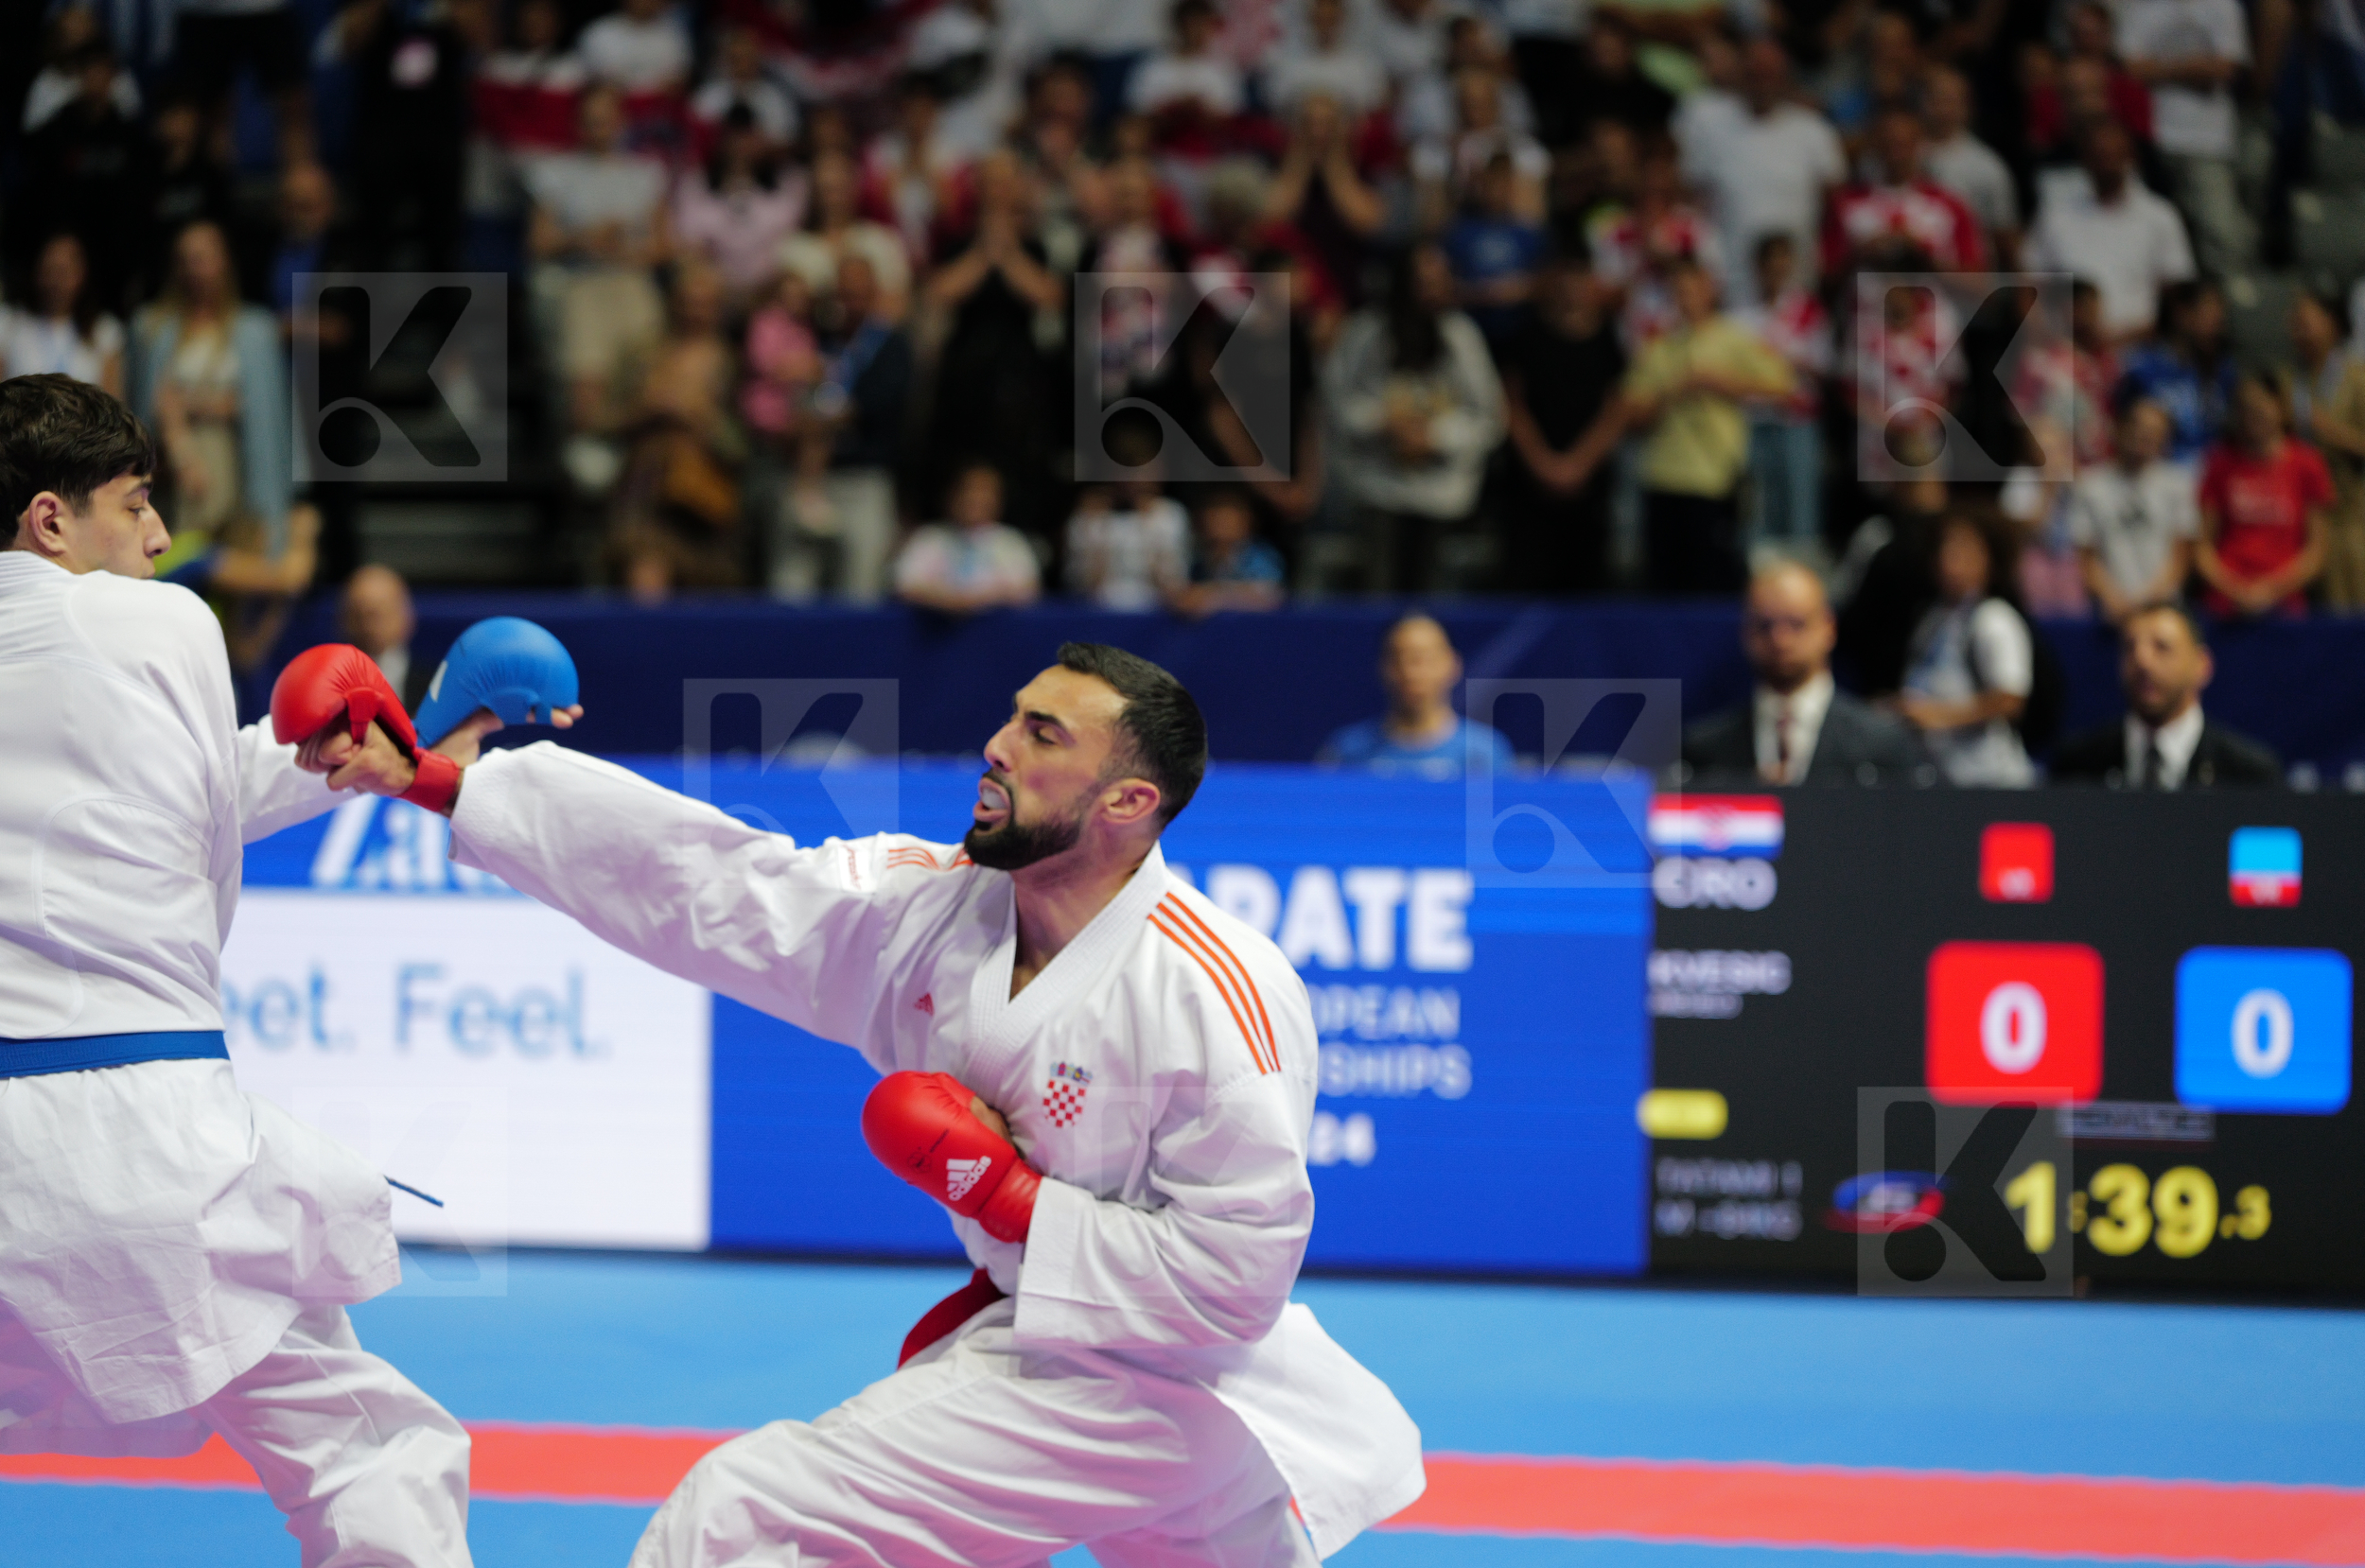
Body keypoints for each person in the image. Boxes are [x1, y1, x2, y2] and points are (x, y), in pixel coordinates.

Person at [418, 640, 1425, 1563]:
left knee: (742, 1518)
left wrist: (1011, 1198)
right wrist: (446, 784)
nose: (994, 747)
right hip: (1073, 1353)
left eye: (1042, 734)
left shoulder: (1210, 993)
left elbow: (1236, 1277)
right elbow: (718, 883)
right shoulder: (934, 905)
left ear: (1125, 801)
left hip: (1163, 1383)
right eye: (1011, 716)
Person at [0, 374, 475, 1563]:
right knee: (371, 1449)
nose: (161, 535)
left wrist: (368, 746)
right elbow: (191, 824)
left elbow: (117, 795)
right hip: (130, 1126)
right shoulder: (164, 621)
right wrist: (378, 738)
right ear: (50, 521)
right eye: (136, 502)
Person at [1568, 254, 1795, 594]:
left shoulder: (1732, 338)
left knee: (1712, 575)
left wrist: (1724, 385)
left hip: (1713, 477)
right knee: (1666, 579)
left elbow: (1784, 384)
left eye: (1692, 289)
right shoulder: (1660, 347)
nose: (1685, 298)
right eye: (1678, 290)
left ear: (1708, 291)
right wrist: (1672, 394)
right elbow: (1632, 412)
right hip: (1664, 475)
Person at [1322, 243, 1505, 592]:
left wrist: (1435, 436)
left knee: (1433, 602)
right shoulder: (1366, 332)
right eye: (1419, 280)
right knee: (1378, 593)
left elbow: (1489, 418)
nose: (1428, 291)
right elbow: (1336, 401)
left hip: (1442, 492)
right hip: (1378, 488)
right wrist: (1383, 422)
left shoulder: (1460, 337)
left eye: (1437, 280)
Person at [1681, 560, 1924, 784]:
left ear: (1829, 628)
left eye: (1797, 624)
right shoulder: (1703, 753)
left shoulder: (1883, 746)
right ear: (1745, 633)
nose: (1780, 640)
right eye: (1765, 626)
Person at [1499, 247, 1625, 593]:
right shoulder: (1524, 336)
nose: (1571, 287)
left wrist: (1577, 465)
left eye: (1579, 276)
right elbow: (1511, 404)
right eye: (1563, 276)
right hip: (1529, 486)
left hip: (1590, 485)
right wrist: (1544, 465)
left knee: (1587, 586)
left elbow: (1616, 408)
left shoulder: (1612, 340)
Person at [2050, 601, 2281, 785]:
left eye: (2162, 647)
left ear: (2202, 666)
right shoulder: (2078, 767)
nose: (2142, 661)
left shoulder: (2248, 775)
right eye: (2130, 648)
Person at [1894, 514, 2037, 787]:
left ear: (1989, 560)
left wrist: (1939, 715)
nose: (1949, 558)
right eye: (1945, 548)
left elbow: (2011, 700)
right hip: (1935, 773)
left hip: (1988, 778)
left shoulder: (1995, 619)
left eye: (1963, 550)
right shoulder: (1932, 618)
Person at [2026, 119, 2197, 345]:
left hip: (2140, 350)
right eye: (2098, 155)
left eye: (2113, 155)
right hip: (2067, 352)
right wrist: (2045, 338)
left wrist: (2135, 339)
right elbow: (2028, 286)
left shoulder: (2160, 217)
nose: (2106, 163)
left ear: (2130, 157)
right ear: (2084, 160)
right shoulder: (2056, 216)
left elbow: (2178, 294)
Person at [2196, 375, 2333, 618]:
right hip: (2226, 601)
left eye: (2261, 405)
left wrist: (2270, 591)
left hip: (2286, 600)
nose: (2253, 414)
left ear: (2281, 407)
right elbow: (2203, 546)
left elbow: (2317, 550)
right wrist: (2236, 590)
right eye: (2245, 407)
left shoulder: (2307, 463)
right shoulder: (2219, 463)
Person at [1318, 612, 1516, 775]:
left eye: (1423, 659)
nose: (1410, 672)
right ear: (1383, 668)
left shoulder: (1485, 752)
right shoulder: (1346, 751)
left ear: (1453, 665)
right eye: (1398, 659)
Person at [2068, 399, 2199, 621]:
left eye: (2156, 431)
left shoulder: (2178, 484)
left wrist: (2154, 597)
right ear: (2119, 428)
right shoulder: (2090, 486)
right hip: (2110, 611)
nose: (2146, 436)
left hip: (2164, 606)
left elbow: (2184, 552)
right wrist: (2112, 597)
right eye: (2139, 427)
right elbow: (2085, 555)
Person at [2279, 290, 2365, 611]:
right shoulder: (2285, 378)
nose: (2298, 327)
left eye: (2306, 319)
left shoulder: (2358, 377)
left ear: (2333, 323)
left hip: (2350, 515)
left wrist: (2331, 432)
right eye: (2293, 321)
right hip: (2297, 514)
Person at [894, 463, 1042, 614]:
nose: (975, 498)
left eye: (984, 492)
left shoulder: (1010, 541)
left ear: (999, 499)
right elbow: (905, 584)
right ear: (951, 495)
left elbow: (1028, 589)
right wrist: (949, 601)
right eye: (968, 490)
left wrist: (976, 601)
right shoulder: (930, 537)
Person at [2, 233, 125, 396]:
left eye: (64, 271)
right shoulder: (9, 323)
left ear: (82, 274)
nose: (56, 281)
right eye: (49, 270)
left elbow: (112, 405)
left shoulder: (105, 330)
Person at [1172, 487, 1287, 616]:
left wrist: (1213, 596)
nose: (1220, 528)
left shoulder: (1261, 556)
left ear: (1245, 522)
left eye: (1227, 521)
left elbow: (1270, 595)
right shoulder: (1200, 562)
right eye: (1215, 520)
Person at [342, 563, 427, 711]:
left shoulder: (435, 689)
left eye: (378, 614)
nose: (368, 625)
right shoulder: (326, 688)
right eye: (359, 615)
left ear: (407, 615)